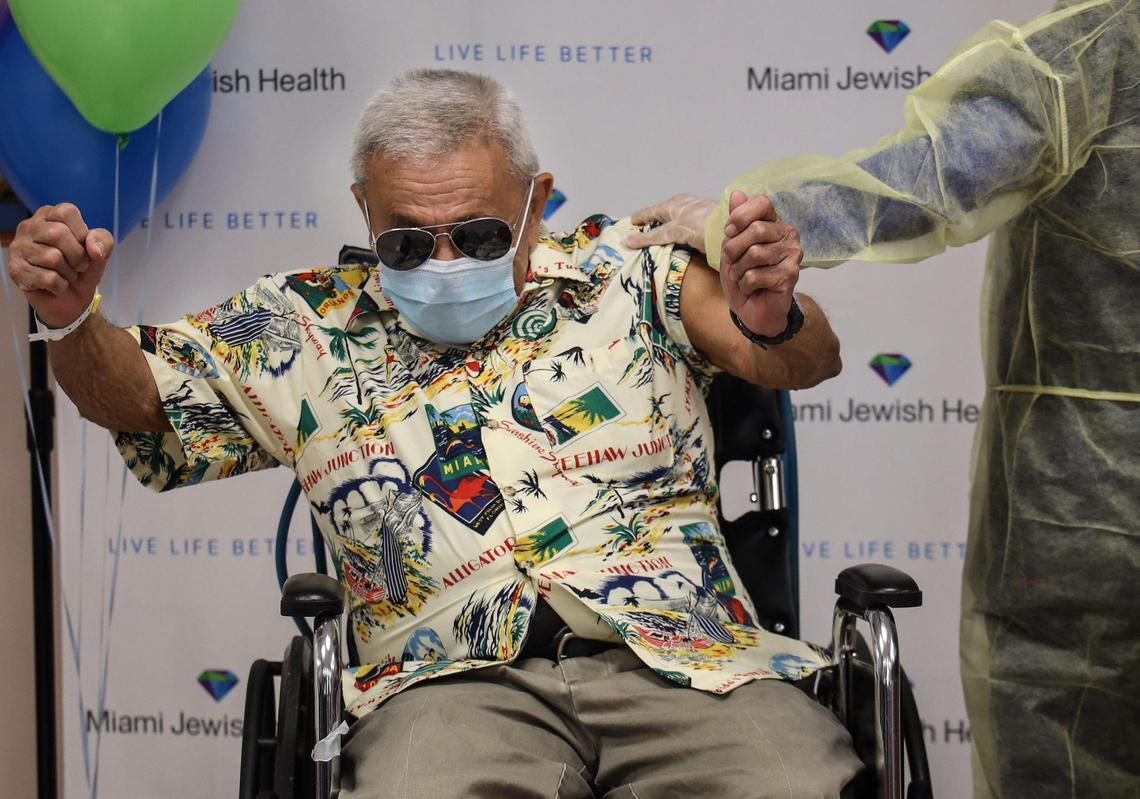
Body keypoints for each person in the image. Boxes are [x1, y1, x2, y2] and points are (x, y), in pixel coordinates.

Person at [6, 69, 859, 797]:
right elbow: (136, 397)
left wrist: (774, 317)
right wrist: (71, 316)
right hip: (447, 685)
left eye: (481, 233)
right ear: (364, 210)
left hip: (689, 663)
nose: (447, 262)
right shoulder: (305, 326)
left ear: (536, 203)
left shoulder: (632, 272)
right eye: (409, 241)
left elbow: (802, 358)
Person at [625, 1, 1140, 796]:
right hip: (1095, 487)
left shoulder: (1100, 48)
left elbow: (936, 174)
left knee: (1065, 739)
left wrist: (744, 221)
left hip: (1095, 495)